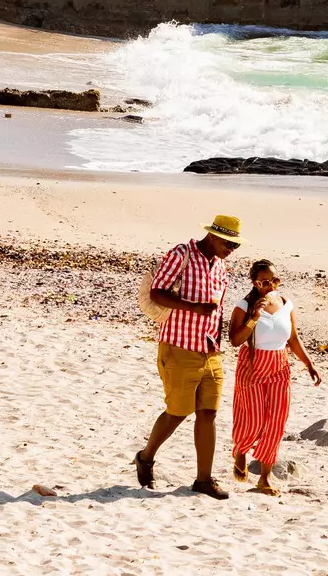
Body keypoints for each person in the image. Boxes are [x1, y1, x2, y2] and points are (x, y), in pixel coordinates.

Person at [135, 214, 242, 499]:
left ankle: (203, 480)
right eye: (229, 244)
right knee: (177, 412)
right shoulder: (181, 254)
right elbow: (157, 293)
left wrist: (217, 342)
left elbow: (217, 310)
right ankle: (145, 458)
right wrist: (193, 307)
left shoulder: (221, 266)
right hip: (178, 345)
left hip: (210, 350)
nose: (231, 250)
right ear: (214, 237)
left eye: (236, 246)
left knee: (209, 413)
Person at [226, 260, 321, 495]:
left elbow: (293, 339)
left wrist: (309, 364)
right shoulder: (244, 305)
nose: (271, 286)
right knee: (255, 421)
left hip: (280, 365)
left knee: (276, 423)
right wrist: (254, 317)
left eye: (275, 280)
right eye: (265, 282)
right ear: (255, 283)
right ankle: (240, 450)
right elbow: (235, 340)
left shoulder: (286, 303)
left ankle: (264, 479)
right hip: (252, 365)